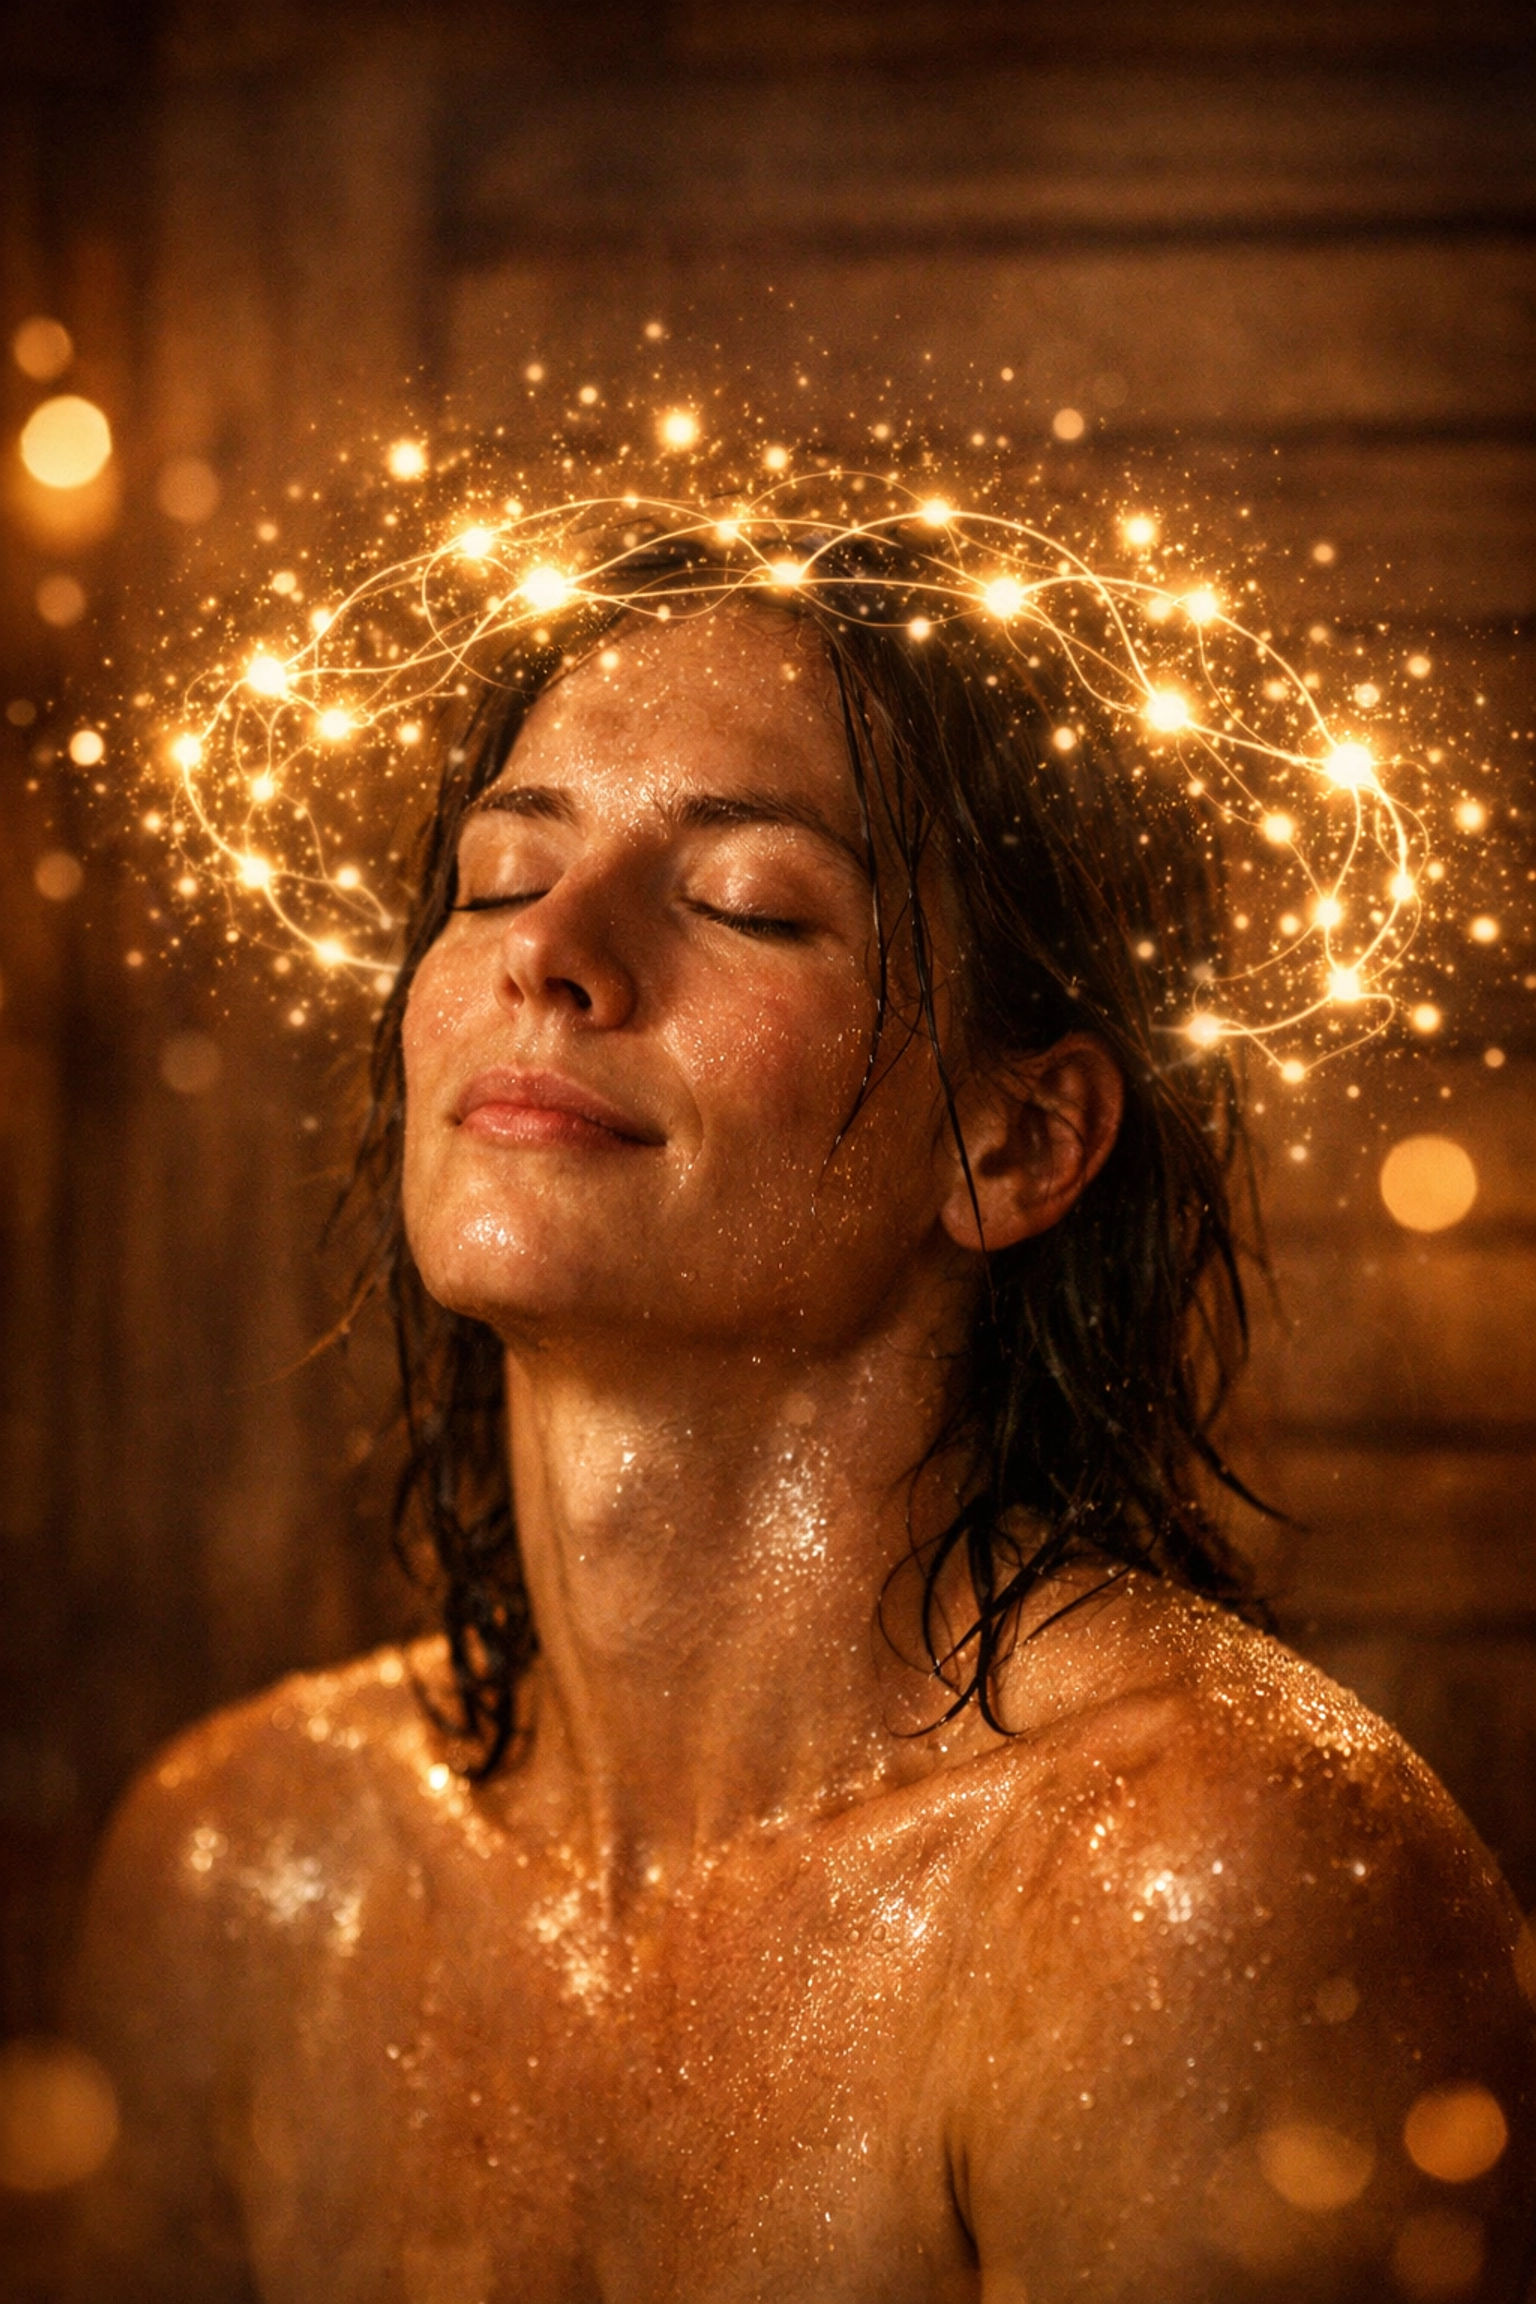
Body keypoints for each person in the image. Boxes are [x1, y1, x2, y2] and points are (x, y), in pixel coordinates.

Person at [70, 524, 1535, 2300]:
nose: (552, 954)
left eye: (749, 905)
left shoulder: (1204, 1890)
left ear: (1015, 1143)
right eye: (495, 875)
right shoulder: (245, 1864)